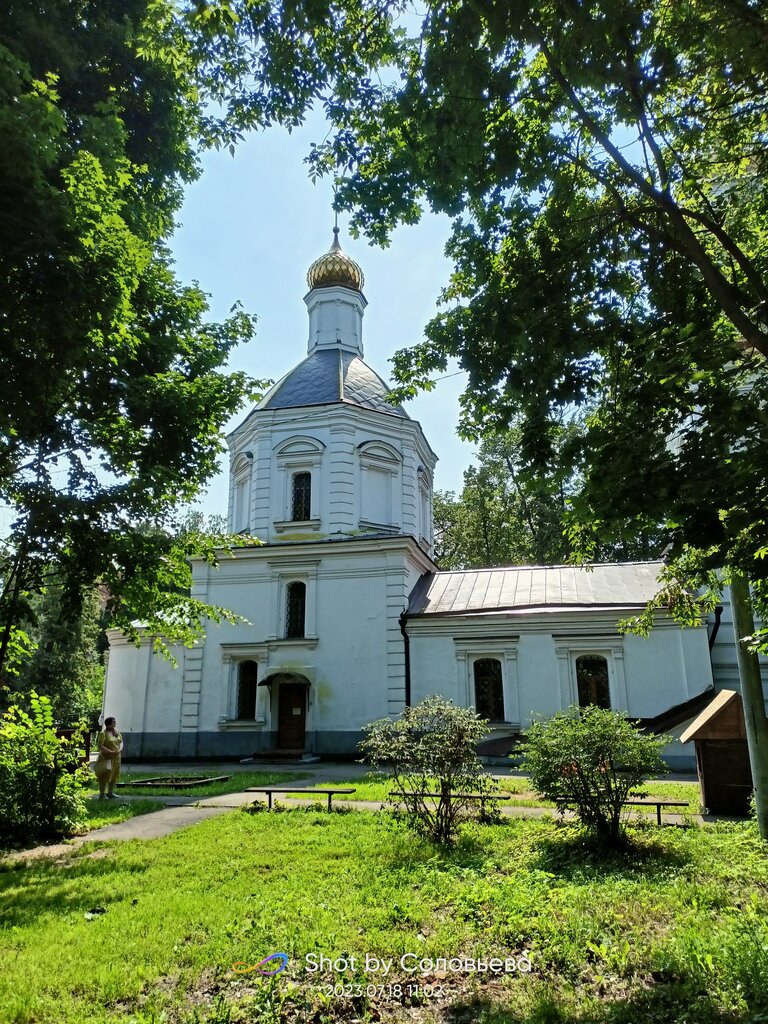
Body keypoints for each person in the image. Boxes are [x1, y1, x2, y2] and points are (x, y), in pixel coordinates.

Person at [94, 716, 123, 799]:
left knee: (114, 774)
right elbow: (100, 746)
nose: (115, 723)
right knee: (105, 775)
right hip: (106, 757)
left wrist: (120, 749)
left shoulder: (117, 732)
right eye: (113, 722)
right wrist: (110, 752)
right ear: (109, 724)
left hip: (116, 758)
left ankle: (110, 792)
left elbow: (121, 742)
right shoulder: (103, 734)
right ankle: (102, 794)